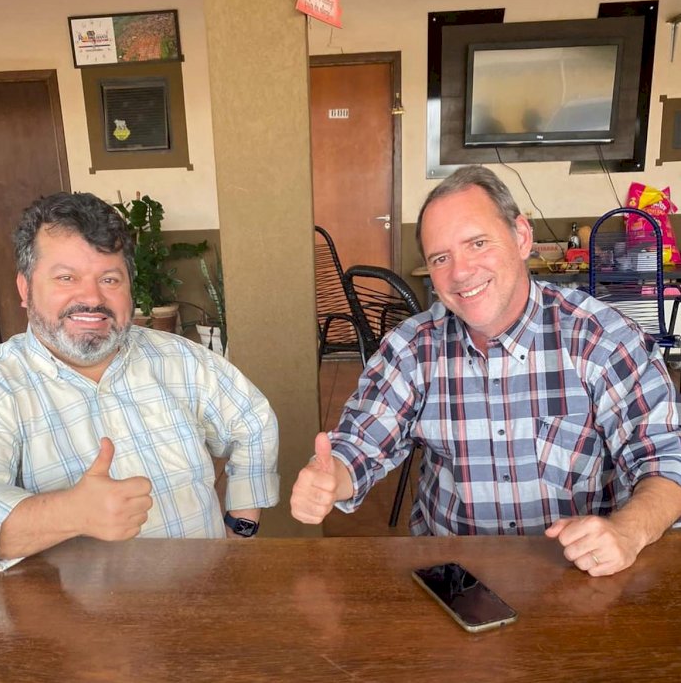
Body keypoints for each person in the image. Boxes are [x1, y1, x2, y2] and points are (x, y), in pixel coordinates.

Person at [291, 165, 681, 576]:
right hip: (453, 579)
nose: (460, 272)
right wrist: (332, 476)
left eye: (477, 243)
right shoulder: (413, 347)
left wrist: (627, 531)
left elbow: (667, 457)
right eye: (441, 258)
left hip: (576, 577)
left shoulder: (600, 338)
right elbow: (362, 444)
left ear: (522, 237)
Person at [0, 192, 279, 571]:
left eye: (109, 278)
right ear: (25, 289)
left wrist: (241, 524)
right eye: (66, 277)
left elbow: (253, 422)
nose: (92, 298)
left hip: (202, 602)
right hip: (75, 625)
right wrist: (70, 513)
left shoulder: (182, 360)